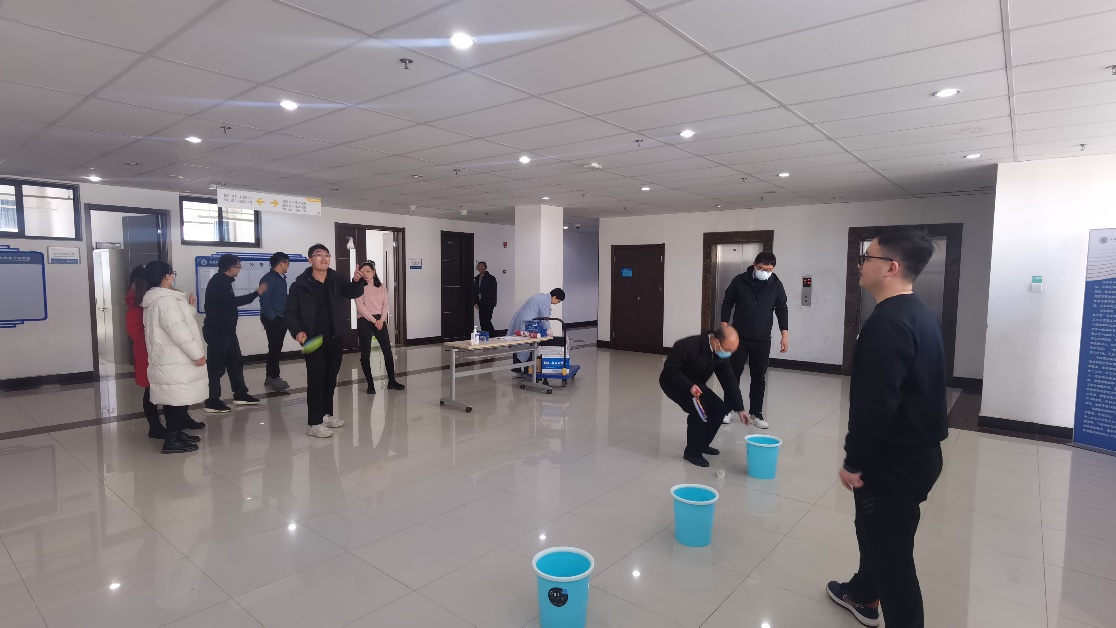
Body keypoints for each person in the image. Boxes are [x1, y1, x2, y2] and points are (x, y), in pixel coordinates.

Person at [826, 227, 948, 628]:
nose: (861, 264)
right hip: (921, 454)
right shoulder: (919, 313)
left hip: (893, 462)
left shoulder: (887, 324)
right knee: (881, 536)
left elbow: (876, 405)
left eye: (868, 258)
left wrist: (854, 461)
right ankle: (863, 593)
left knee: (892, 559)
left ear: (891, 268)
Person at [285, 244, 368, 438]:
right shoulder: (300, 285)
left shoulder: (337, 280)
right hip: (312, 339)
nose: (323, 258)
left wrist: (357, 281)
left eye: (326, 255)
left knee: (330, 378)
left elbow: (353, 292)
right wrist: (297, 331)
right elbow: (289, 313)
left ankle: (325, 415)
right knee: (316, 380)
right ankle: (314, 423)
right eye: (318, 255)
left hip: (335, 337)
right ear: (310, 260)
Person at [126, 266, 205, 438]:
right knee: (155, 391)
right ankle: (159, 428)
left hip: (163, 351)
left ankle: (178, 425)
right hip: (153, 352)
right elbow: (170, 328)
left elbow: (174, 322)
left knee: (173, 390)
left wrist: (189, 309)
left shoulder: (157, 297)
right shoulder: (150, 300)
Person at [659, 327, 749, 467]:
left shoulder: (719, 354)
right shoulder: (688, 345)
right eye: (728, 349)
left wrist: (740, 408)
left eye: (733, 351)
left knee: (719, 408)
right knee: (700, 411)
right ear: (716, 342)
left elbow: (729, 380)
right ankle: (692, 453)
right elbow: (671, 369)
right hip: (674, 383)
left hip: (696, 384)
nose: (729, 353)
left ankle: (702, 444)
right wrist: (689, 386)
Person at [719, 251, 789, 429]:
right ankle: (728, 409)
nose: (765, 272)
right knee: (733, 374)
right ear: (754, 265)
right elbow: (727, 302)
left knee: (758, 377)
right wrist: (724, 327)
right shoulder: (739, 281)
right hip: (739, 338)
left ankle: (756, 413)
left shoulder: (776, 285)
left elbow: (782, 309)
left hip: (762, 339)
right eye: (762, 268)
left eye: (769, 270)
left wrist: (784, 335)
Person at [202, 253, 266, 413]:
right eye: (238, 266)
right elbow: (233, 302)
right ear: (231, 268)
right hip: (217, 332)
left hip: (228, 331)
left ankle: (240, 394)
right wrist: (256, 293)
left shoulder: (225, 281)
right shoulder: (218, 282)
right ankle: (212, 401)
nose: (240, 269)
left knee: (235, 363)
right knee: (216, 368)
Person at [355, 260, 405, 394]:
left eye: (368, 271)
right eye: (363, 271)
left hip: (380, 320)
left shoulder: (381, 287)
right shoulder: (358, 287)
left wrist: (381, 320)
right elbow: (360, 307)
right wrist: (374, 320)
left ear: (374, 272)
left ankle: (392, 381)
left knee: (387, 350)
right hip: (364, 319)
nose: (366, 274)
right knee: (365, 352)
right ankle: (370, 385)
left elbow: (385, 304)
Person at [507, 288, 564, 375]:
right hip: (526, 323)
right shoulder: (545, 301)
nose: (557, 303)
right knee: (527, 345)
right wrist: (549, 330)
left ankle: (518, 369)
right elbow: (544, 318)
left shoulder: (542, 297)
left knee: (520, 344)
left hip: (523, 320)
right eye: (558, 301)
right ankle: (527, 371)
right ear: (554, 297)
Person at [259, 252, 291, 392]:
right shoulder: (269, 279)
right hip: (273, 318)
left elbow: (280, 298)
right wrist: (273, 319)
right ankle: (274, 377)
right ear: (281, 263)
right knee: (275, 347)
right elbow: (264, 301)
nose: (288, 265)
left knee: (275, 347)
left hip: (280, 317)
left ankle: (270, 376)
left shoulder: (280, 278)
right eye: (287, 263)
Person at [473, 261, 497, 334]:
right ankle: (486, 336)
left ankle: (492, 335)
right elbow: (475, 291)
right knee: (482, 322)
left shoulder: (491, 278)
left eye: (482, 266)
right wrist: (475, 302)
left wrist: (482, 294)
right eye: (479, 266)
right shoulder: (476, 278)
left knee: (486, 320)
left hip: (489, 302)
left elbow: (493, 290)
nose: (480, 268)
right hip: (481, 303)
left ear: (486, 267)